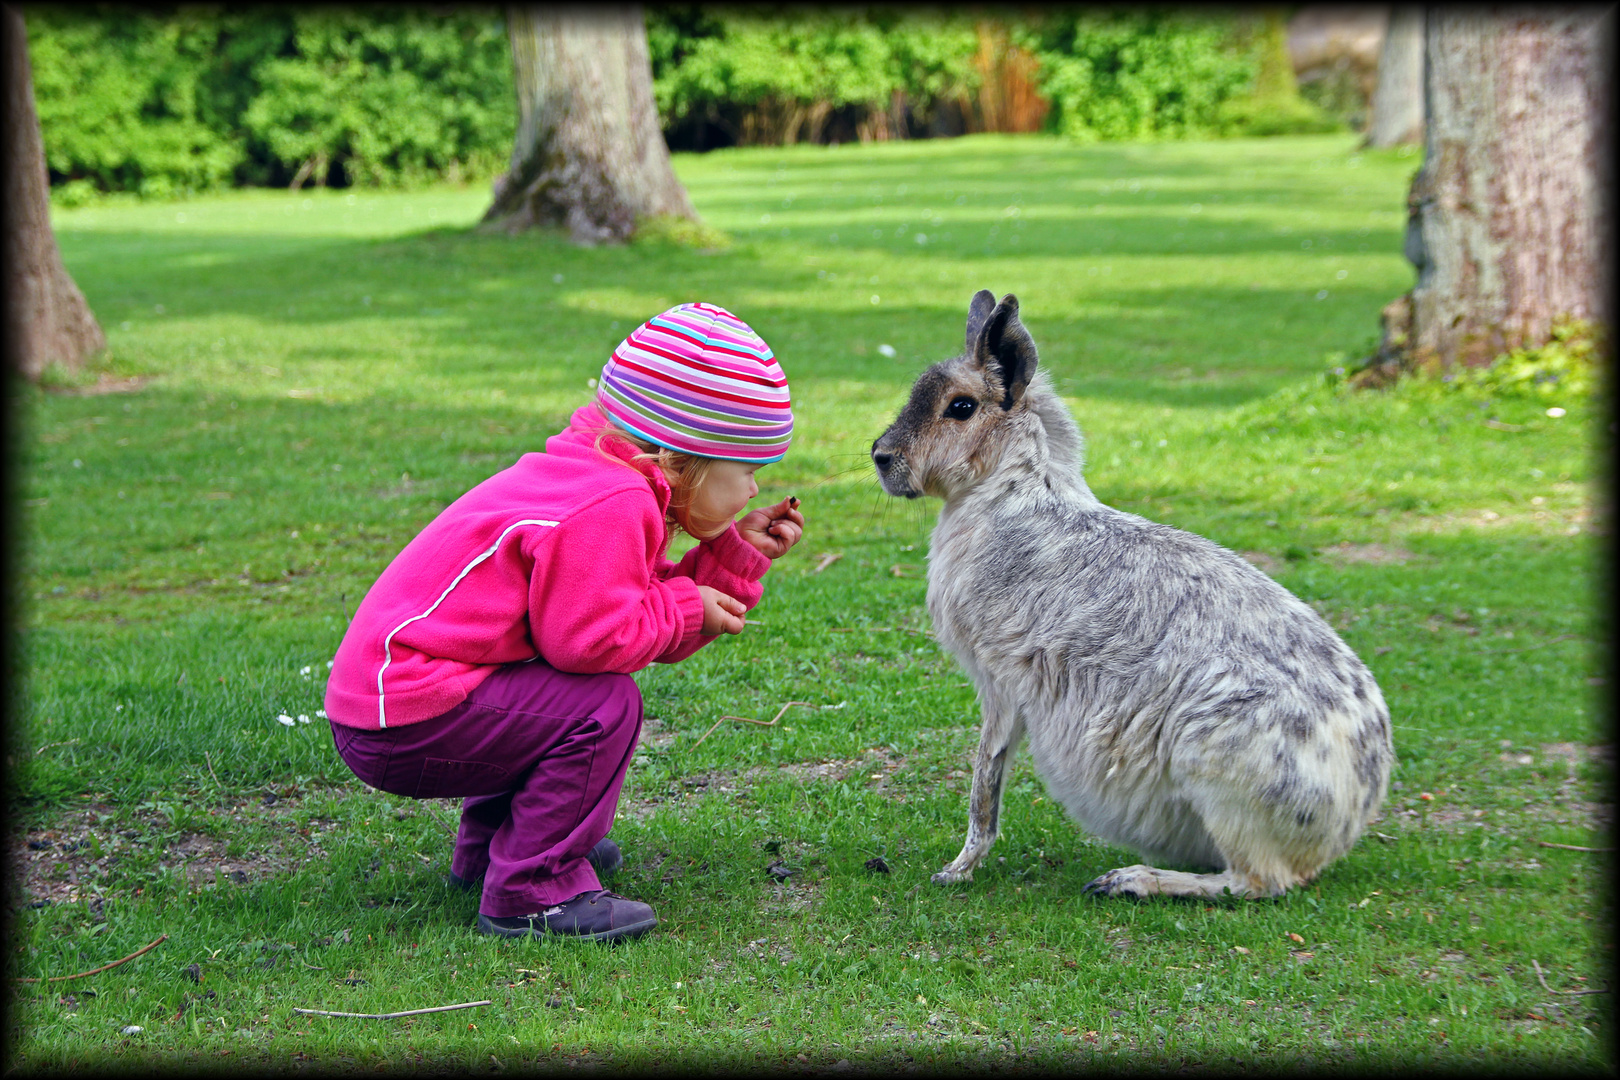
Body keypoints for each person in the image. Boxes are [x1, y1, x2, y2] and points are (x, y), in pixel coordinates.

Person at [323, 302, 804, 942]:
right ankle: (532, 888)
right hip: (407, 713)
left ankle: (499, 852)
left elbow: (623, 603)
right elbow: (592, 641)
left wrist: (731, 554)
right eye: (744, 469)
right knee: (599, 705)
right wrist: (691, 606)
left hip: (389, 706)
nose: (751, 489)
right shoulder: (612, 504)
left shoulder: (603, 477)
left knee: (553, 697)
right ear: (680, 457)